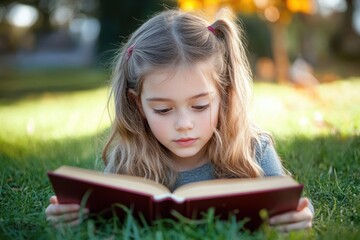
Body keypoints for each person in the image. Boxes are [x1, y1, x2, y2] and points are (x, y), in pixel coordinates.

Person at [45, 9, 314, 231]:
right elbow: (98, 215)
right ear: (137, 104)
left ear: (224, 95)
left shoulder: (254, 149)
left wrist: (299, 215)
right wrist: (71, 215)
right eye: (163, 110)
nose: (183, 123)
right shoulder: (128, 160)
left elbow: (291, 205)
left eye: (199, 106)